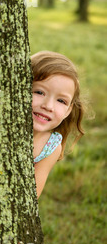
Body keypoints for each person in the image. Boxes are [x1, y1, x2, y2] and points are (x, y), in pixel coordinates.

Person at [31, 51, 86, 199]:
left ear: (68, 110)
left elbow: (31, 195)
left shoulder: (51, 146)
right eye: (39, 92)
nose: (48, 106)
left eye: (61, 101)